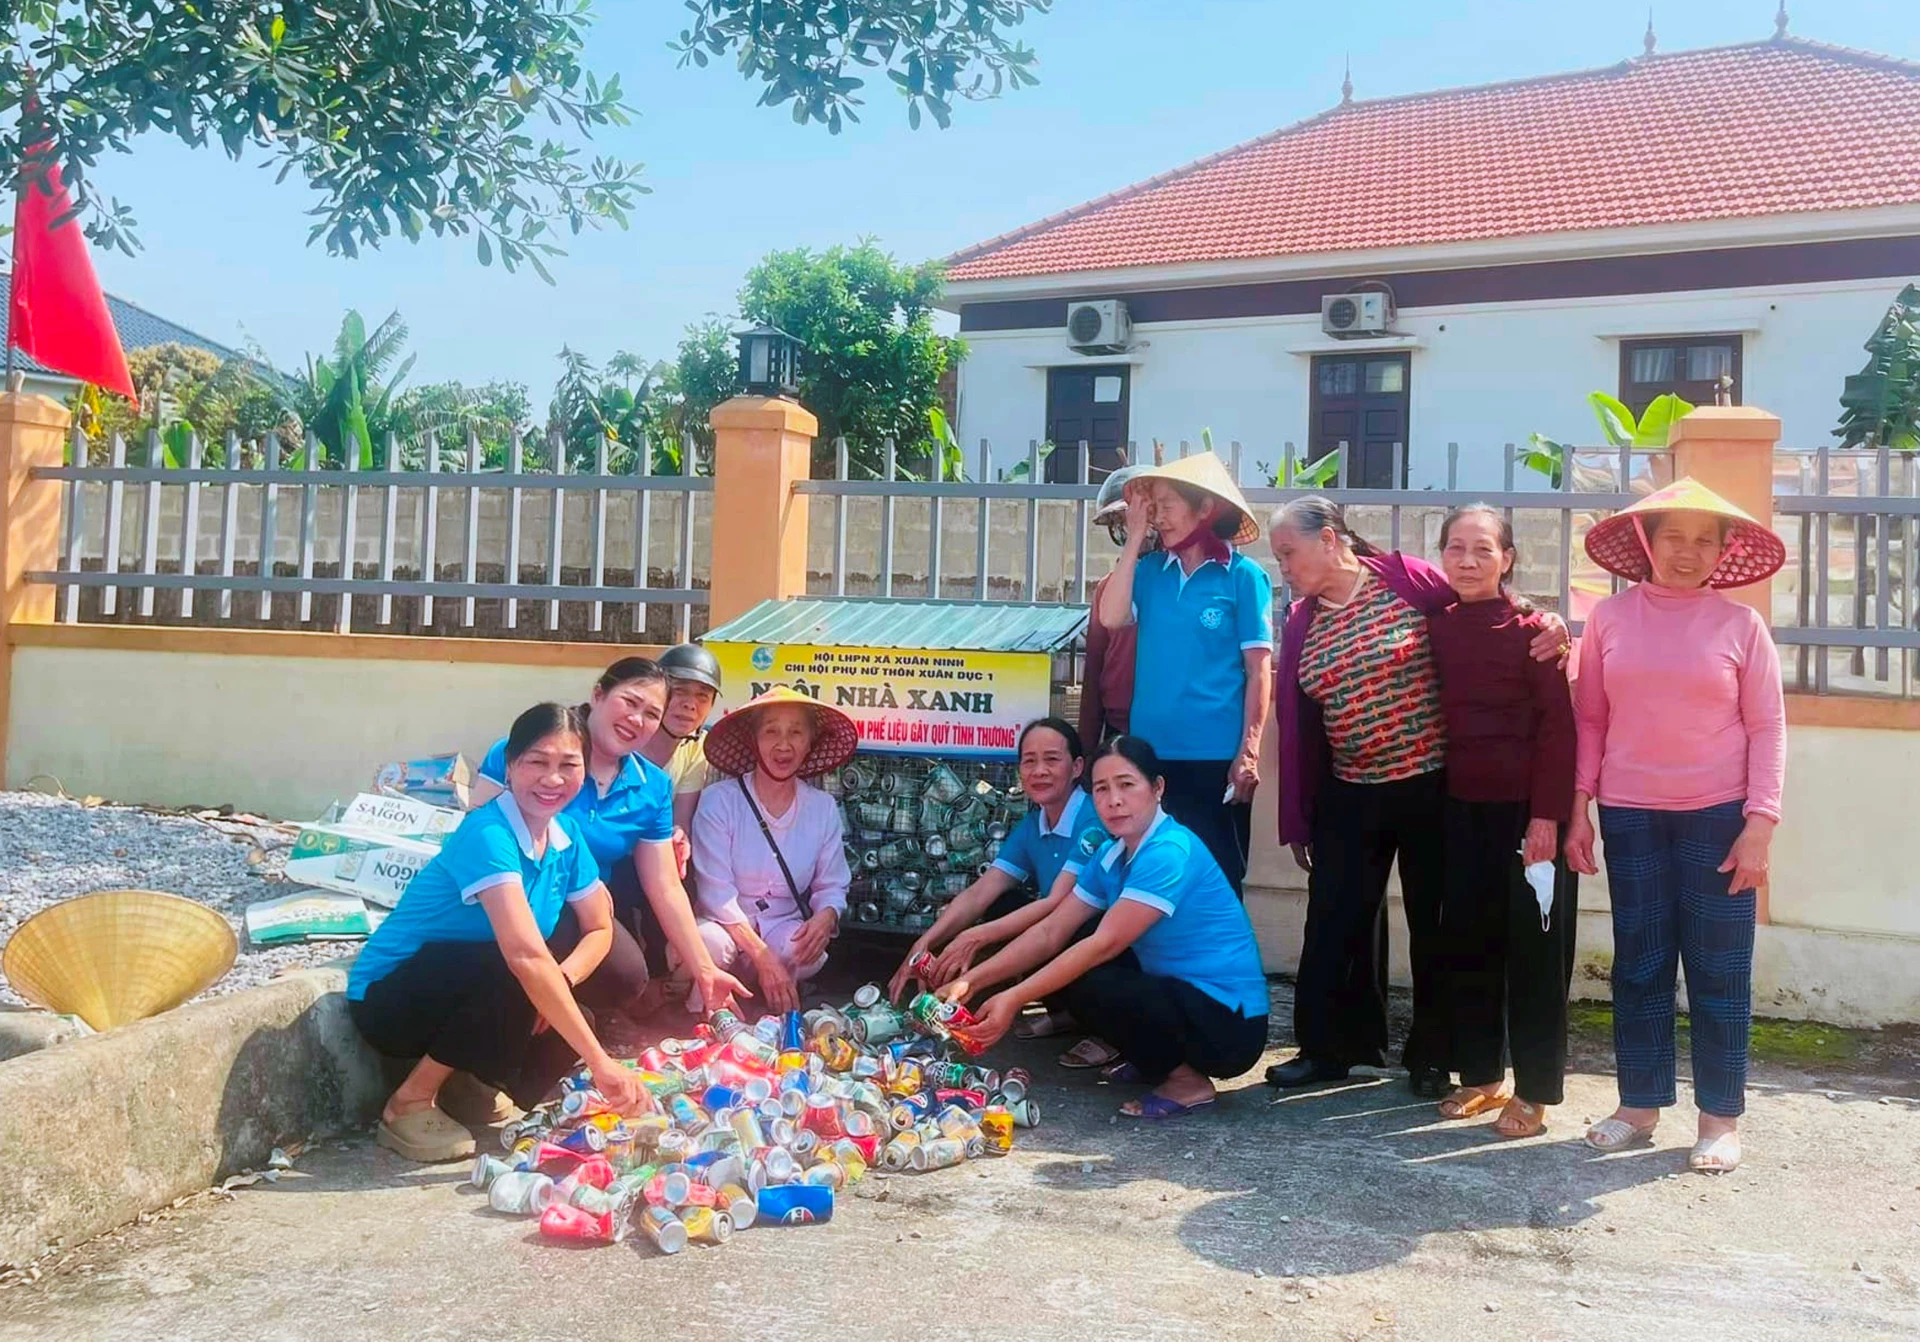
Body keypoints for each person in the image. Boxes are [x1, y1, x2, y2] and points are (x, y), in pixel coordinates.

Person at [1266, 497, 1569, 1096]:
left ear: (1328, 540)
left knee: (1436, 924)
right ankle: (1327, 1048)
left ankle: (1433, 1055)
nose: (1284, 567)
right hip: (1350, 789)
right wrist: (1300, 814)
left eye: (1288, 553)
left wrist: (1546, 619)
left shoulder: (1405, 580)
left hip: (1432, 785)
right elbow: (1297, 723)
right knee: (1333, 918)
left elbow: (1482, 604)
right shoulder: (1301, 619)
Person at [1565, 478, 1786, 1174]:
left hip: (1720, 817)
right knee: (1640, 964)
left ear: (1722, 552)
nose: (1687, 553)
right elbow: (1590, 719)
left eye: (1702, 541)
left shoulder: (1742, 626)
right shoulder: (1608, 619)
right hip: (1629, 813)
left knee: (1720, 968)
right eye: (1673, 538)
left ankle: (1720, 1118)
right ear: (1646, 543)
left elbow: (1768, 727)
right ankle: (1639, 1105)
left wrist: (1760, 823)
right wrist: (1579, 807)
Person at [348, 704, 646, 1163]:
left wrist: (561, 982)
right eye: (537, 762)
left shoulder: (565, 833)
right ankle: (408, 1101)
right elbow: (524, 956)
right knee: (518, 971)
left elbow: (600, 926)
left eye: (568, 765)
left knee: (571, 1016)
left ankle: (467, 1083)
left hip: (468, 986)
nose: (552, 779)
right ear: (509, 766)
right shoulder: (488, 832)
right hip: (391, 998)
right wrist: (601, 1062)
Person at [942, 737, 1271, 1120]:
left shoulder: (1169, 850)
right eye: (1101, 789)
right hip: (1181, 997)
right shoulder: (1110, 854)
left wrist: (1012, 999)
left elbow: (1104, 944)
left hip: (1231, 1025)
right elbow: (1051, 931)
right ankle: (1154, 1059)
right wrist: (972, 982)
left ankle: (1186, 1082)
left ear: (1158, 788)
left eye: (1126, 785)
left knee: (1094, 978)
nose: (1114, 800)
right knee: (1072, 953)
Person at [469, 658, 747, 1019]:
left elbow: (664, 885)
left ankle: (561, 1015)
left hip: (581, 909)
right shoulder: (530, 751)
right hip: (508, 895)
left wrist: (705, 969)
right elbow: (475, 832)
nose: (637, 720)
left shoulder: (652, 786)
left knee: (626, 976)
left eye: (651, 713)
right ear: (598, 694)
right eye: (630, 702)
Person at [1426, 505, 1578, 1137]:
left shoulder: (1534, 633)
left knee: (1536, 956)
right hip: (1462, 810)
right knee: (1469, 945)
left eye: (1483, 549)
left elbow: (1559, 730)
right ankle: (1483, 1076)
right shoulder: (1436, 624)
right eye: (1455, 548)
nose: (1467, 561)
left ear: (1507, 559)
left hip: (1527, 814)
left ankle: (1536, 1091)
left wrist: (1546, 819)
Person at [1095, 452, 1272, 894]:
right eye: (1152, 507)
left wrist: (1248, 751)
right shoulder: (1148, 572)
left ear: (1205, 508)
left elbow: (1259, 671)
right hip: (1150, 756)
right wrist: (1134, 539)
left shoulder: (1244, 577)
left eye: (1167, 505)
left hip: (1215, 757)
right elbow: (1111, 617)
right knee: (1151, 876)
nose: (1158, 517)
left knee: (1217, 876)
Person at [885, 718, 1111, 1046]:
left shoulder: (1092, 819)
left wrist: (975, 937)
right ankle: (1065, 1011)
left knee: (1068, 929)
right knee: (1000, 904)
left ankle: (1099, 1026)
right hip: (1056, 928)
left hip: (1100, 936)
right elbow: (982, 890)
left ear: (1077, 767)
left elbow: (1059, 902)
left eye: (1051, 759)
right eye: (1029, 761)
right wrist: (924, 943)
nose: (1039, 770)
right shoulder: (1033, 824)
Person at [689, 687, 861, 1014]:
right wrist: (762, 957)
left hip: (782, 927)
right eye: (771, 731)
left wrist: (826, 916)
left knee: (804, 948)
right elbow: (715, 893)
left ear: (810, 743)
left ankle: (779, 1013)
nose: (784, 745)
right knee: (709, 942)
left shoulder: (822, 807)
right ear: (753, 741)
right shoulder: (719, 800)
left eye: (796, 732)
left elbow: (833, 884)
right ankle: (701, 1016)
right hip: (726, 926)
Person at [1080, 466, 1151, 748]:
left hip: (1168, 726)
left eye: (1137, 522)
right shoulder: (1107, 588)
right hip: (1118, 725)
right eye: (1121, 526)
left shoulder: (1178, 584)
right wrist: (1086, 748)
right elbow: (1094, 668)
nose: (1133, 531)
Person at [643, 642, 724, 856]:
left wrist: (680, 837)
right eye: (680, 691)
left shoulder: (696, 748)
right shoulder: (629, 734)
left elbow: (680, 821)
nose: (690, 704)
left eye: (703, 696)